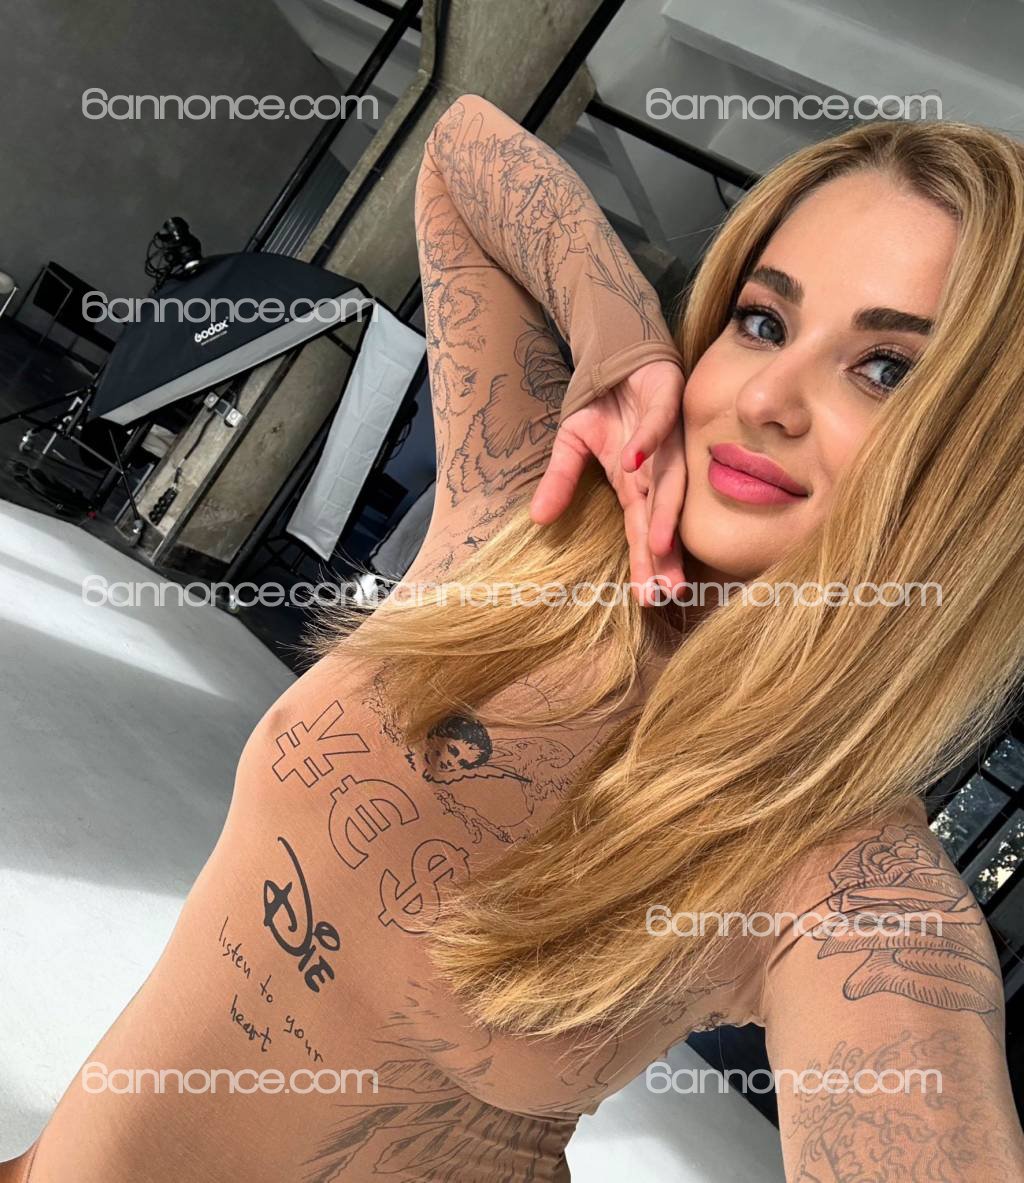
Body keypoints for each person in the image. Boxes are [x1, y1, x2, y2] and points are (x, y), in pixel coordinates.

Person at [4, 90, 1024, 1182]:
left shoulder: (844, 874)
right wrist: (623, 349)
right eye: (762, 321)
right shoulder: (521, 514)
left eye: (886, 369)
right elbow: (461, 155)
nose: (767, 395)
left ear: (982, 469)